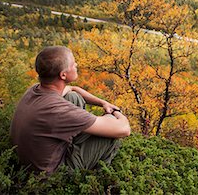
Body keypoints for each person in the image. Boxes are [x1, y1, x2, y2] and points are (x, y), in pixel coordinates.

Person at [10, 46, 130, 174]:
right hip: (53, 176)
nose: (76, 64)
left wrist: (103, 103)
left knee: (73, 97)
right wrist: (115, 112)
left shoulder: (36, 90)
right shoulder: (59, 110)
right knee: (110, 135)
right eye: (73, 64)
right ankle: (96, 177)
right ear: (63, 75)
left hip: (35, 161)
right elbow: (124, 129)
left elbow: (72, 89)